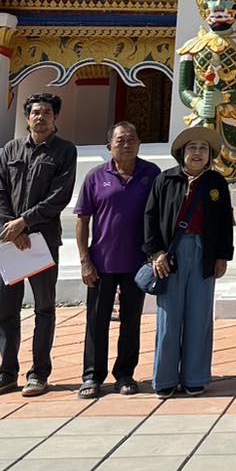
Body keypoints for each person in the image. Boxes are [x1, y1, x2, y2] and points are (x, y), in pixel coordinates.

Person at [0, 92, 77, 398]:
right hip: (10, 240)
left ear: (55, 117)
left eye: (47, 112)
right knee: (6, 310)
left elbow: (59, 196)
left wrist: (24, 222)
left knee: (44, 308)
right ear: (27, 117)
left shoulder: (65, 151)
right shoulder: (11, 149)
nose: (41, 117)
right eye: (36, 112)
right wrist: (11, 227)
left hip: (42, 241)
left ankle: (39, 373)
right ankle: (6, 372)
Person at [143, 126, 233, 397]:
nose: (197, 153)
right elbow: (150, 218)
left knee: (199, 316)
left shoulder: (216, 182)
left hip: (204, 253)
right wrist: (156, 253)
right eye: (192, 147)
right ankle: (165, 379)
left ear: (210, 155)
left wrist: (222, 256)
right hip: (171, 256)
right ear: (182, 152)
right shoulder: (165, 180)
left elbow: (225, 222)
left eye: (203, 148)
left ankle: (195, 376)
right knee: (169, 317)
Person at [75, 121, 161, 398]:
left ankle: (125, 374)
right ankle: (92, 375)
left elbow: (161, 215)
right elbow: (82, 220)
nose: (127, 144)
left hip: (138, 262)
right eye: (121, 140)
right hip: (102, 261)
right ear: (109, 146)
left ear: (139, 144)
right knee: (96, 321)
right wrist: (84, 260)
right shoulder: (95, 177)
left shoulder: (152, 174)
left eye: (132, 139)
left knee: (131, 320)